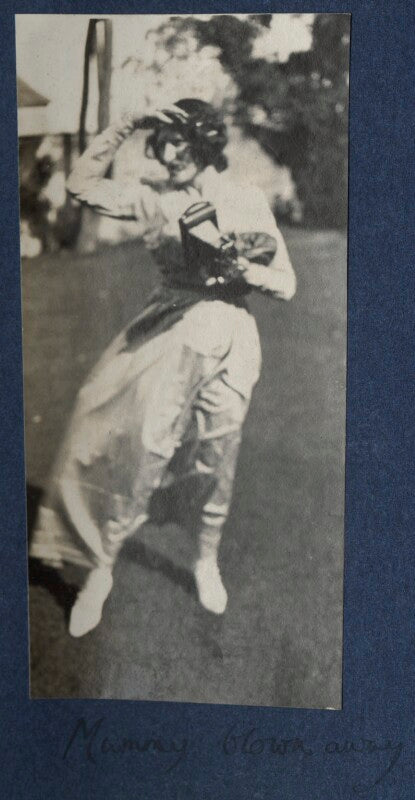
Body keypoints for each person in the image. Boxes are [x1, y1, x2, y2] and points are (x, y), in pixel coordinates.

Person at [30, 98, 296, 637]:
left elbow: (287, 284)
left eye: (180, 143)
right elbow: (81, 185)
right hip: (168, 331)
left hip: (230, 339)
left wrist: (242, 268)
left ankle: (205, 559)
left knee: (216, 457)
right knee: (136, 447)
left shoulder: (245, 198)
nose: (169, 154)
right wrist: (129, 122)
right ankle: (99, 570)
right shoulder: (153, 198)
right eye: (162, 143)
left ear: (206, 144)